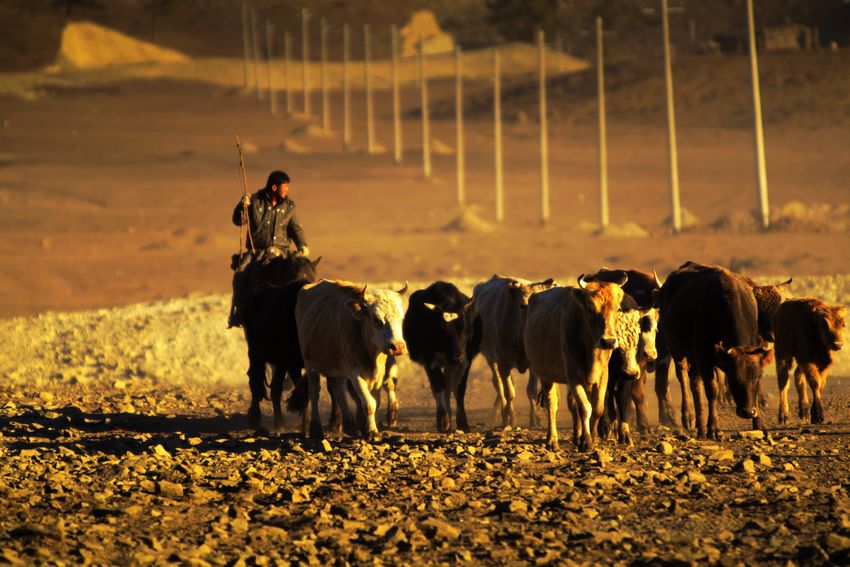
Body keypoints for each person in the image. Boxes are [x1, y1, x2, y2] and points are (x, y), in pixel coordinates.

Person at [228, 170, 309, 327]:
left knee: (303, 271)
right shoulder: (254, 202)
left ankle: (303, 311)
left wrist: (302, 245)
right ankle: (239, 313)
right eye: (284, 186)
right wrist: (242, 206)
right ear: (274, 187)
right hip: (256, 252)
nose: (287, 190)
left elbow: (295, 229)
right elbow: (238, 221)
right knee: (240, 275)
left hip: (281, 251)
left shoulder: (289, 207)